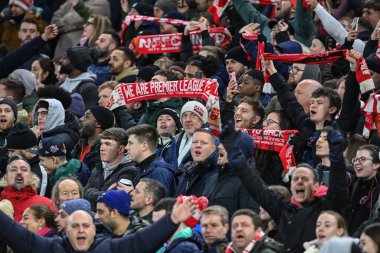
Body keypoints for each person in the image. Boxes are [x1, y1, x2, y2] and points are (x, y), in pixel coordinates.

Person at [222, 125, 348, 253]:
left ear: (316, 186)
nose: (299, 181)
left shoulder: (325, 209)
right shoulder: (283, 209)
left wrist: (337, 159)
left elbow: (339, 189)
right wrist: (236, 156)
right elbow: (256, 187)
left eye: (304, 179)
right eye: (295, 179)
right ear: (291, 186)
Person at [0, 197, 196, 253]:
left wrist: (171, 220)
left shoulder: (109, 247)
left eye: (86, 225)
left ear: (94, 229)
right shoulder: (51, 248)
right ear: (66, 231)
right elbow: (15, 233)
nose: (81, 230)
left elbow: (142, 241)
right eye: (75, 226)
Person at [84, 127, 139, 209]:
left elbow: (113, 199)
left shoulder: (130, 171)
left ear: (121, 149)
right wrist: (103, 194)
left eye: (107, 144)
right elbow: (84, 192)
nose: (102, 148)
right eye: (101, 144)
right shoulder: (97, 169)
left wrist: (92, 193)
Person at [125, 124, 176, 196]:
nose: (126, 147)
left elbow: (157, 205)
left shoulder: (159, 172)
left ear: (144, 146)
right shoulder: (141, 168)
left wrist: (130, 193)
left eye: (130, 143)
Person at [0, 155, 54, 221]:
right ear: (5, 177)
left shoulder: (47, 205)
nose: (19, 172)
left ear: (31, 176)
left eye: (24, 169)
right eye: (13, 170)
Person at [175, 129, 219, 196]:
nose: (198, 145)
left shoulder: (216, 174)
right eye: (194, 142)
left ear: (213, 149)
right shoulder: (185, 172)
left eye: (204, 143)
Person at [348, 144, 380, 234]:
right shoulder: (351, 182)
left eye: (362, 159)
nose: (357, 162)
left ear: (376, 164)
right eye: (356, 159)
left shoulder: (378, 189)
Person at [72, 106, 115, 170]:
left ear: (98, 124)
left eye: (87, 117)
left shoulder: (103, 152)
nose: (81, 119)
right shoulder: (80, 145)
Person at [176, 101, 208, 167]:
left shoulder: (211, 141)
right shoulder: (173, 142)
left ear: (202, 121)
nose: (188, 119)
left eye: (193, 115)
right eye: (184, 116)